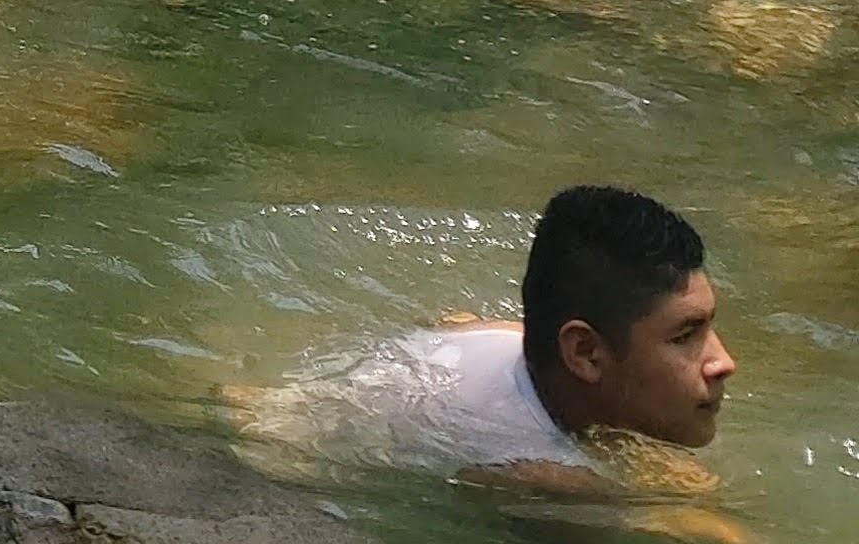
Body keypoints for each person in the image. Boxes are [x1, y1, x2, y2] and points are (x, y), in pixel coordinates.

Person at [264, 187, 735, 481]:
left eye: (708, 326)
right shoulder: (540, 473)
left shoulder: (507, 336)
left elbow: (454, 321)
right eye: (685, 336)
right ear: (585, 352)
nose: (723, 362)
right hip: (277, 448)